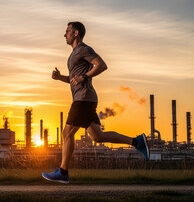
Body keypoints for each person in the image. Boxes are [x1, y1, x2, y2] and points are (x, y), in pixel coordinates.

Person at [42, 21, 150, 184]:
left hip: (83, 99)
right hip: (85, 99)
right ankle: (137, 142)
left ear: (76, 33)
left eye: (67, 31)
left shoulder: (83, 49)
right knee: (97, 136)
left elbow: (102, 65)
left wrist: (85, 76)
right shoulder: (73, 54)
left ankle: (63, 172)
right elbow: (74, 80)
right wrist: (60, 78)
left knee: (67, 133)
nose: (65, 34)